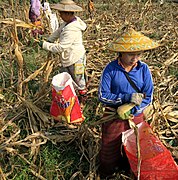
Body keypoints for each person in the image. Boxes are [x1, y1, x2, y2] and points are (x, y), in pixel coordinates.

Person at [98, 28, 160, 178]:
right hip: (113, 115)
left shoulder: (144, 69)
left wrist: (135, 108)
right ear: (121, 53)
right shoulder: (110, 70)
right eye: (131, 54)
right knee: (109, 148)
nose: (135, 58)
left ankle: (128, 171)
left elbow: (148, 96)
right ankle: (108, 173)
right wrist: (126, 98)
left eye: (138, 54)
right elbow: (102, 95)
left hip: (136, 116)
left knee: (135, 148)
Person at [38, 0, 87, 103]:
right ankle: (72, 98)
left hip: (75, 58)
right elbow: (58, 32)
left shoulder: (72, 29)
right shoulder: (67, 23)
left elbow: (61, 47)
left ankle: (83, 100)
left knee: (79, 80)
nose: (59, 15)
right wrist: (49, 40)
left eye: (61, 13)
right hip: (69, 56)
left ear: (68, 13)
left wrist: (45, 45)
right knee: (69, 78)